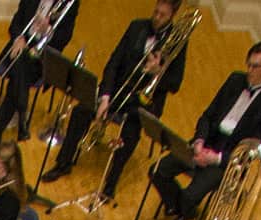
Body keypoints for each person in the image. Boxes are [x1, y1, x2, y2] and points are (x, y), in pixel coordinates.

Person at [41, 0, 190, 200]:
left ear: (172, 16)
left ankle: (109, 187)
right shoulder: (137, 26)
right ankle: (63, 164)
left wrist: (159, 73)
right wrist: (105, 96)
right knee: (80, 111)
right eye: (156, 12)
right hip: (118, 89)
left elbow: (175, 84)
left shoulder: (177, 43)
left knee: (129, 134)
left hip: (143, 102)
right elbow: (113, 63)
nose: (157, 17)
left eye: (162, 15)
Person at [154, 39, 261, 220]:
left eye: (255, 66)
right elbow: (208, 115)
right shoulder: (234, 80)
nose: (249, 70)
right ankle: (182, 209)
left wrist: (216, 158)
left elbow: (252, 149)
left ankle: (183, 208)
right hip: (208, 142)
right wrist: (199, 141)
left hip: (229, 160)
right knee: (158, 170)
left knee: (190, 196)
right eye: (248, 63)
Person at [0, 0, 78, 156]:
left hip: (41, 58)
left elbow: (63, 39)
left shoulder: (70, 3)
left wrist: (48, 31)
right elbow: (16, 21)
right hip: (18, 48)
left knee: (19, 72)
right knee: (20, 64)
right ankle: (21, 110)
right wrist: (19, 38)